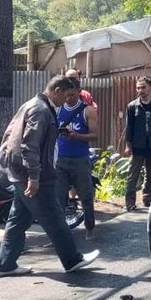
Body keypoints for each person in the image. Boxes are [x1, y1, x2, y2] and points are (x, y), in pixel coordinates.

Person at [0, 76, 99, 276]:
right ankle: (72, 260)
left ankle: (5, 264)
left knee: (18, 219)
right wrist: (34, 177)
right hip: (33, 174)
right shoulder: (41, 110)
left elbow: (12, 134)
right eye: (66, 95)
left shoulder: (31, 105)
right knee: (54, 217)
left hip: (19, 171)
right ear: (57, 90)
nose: (67, 100)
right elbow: (30, 145)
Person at [57, 81, 99, 240]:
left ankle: (90, 228)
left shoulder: (87, 110)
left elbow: (95, 135)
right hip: (60, 160)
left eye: (72, 94)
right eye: (66, 94)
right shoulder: (58, 109)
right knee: (59, 197)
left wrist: (76, 136)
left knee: (86, 196)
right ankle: (61, 232)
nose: (68, 98)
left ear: (79, 92)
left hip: (80, 159)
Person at [124, 76, 151, 211]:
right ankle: (130, 203)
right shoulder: (132, 106)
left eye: (143, 87)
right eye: (138, 88)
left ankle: (147, 198)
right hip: (138, 145)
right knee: (133, 176)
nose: (140, 90)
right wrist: (128, 145)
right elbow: (128, 127)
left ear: (150, 88)